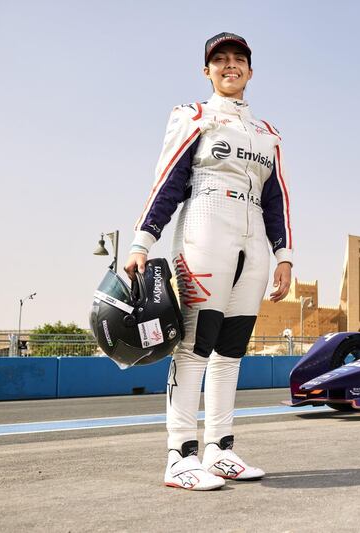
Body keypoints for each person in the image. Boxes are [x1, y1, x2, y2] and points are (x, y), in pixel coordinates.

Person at [124, 32, 293, 490]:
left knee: (232, 349)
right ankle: (180, 455)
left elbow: (277, 198)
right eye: (220, 60)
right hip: (204, 224)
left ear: (251, 72)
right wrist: (142, 242)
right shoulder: (192, 116)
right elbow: (168, 182)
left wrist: (284, 255)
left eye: (239, 59)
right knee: (196, 342)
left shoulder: (267, 134)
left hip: (254, 236)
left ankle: (220, 449)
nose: (230, 66)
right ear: (208, 71)